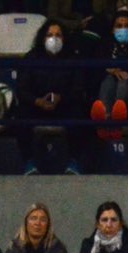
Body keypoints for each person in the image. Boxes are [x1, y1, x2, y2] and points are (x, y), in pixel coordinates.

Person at [17, 20, 87, 175]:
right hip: (37, 106)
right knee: (21, 115)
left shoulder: (73, 59)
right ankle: (29, 162)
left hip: (63, 106)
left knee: (79, 113)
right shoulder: (31, 58)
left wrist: (61, 98)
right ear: (42, 38)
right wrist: (37, 101)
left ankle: (73, 162)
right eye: (49, 35)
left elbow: (78, 88)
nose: (54, 39)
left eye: (58, 35)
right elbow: (22, 89)